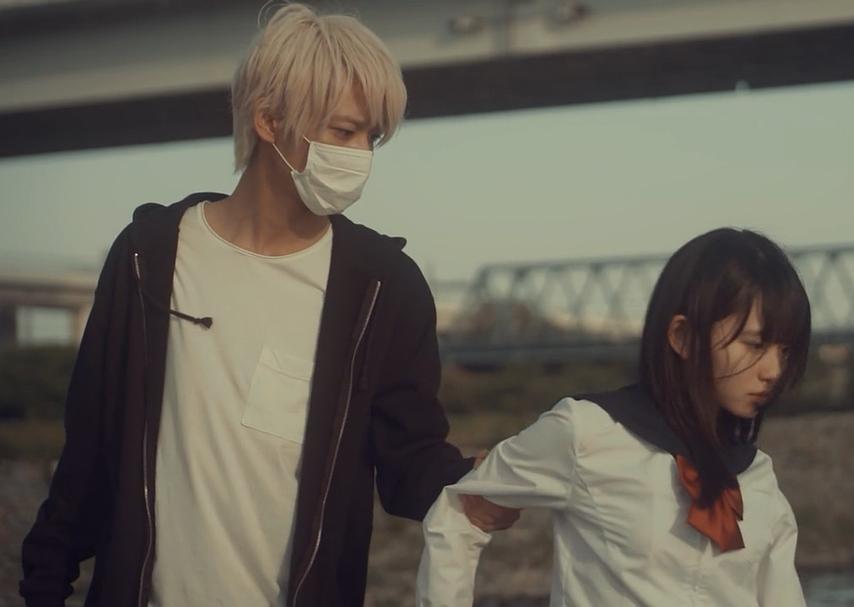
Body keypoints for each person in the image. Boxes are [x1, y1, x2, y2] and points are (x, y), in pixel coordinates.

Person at [20, 4, 515, 606]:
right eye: (343, 131)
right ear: (268, 121)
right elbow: (89, 453)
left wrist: (474, 485)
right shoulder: (149, 257)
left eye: (373, 137)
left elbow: (408, 460)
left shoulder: (384, 287)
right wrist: (43, 588)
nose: (361, 154)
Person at [417, 228, 812, 606]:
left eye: (785, 351)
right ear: (683, 337)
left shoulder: (758, 478)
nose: (774, 370)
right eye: (755, 344)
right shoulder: (588, 432)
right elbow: (458, 515)